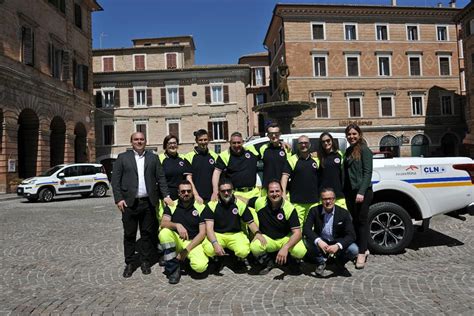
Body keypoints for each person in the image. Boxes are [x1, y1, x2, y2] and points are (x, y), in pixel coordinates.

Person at [111, 132, 172, 278]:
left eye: (141, 139)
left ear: (145, 141)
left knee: (147, 234)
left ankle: (145, 261)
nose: (139, 141)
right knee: (129, 234)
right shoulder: (122, 158)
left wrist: (166, 196)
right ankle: (130, 263)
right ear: (131, 142)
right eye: (136, 139)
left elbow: (161, 178)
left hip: (148, 202)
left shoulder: (153, 158)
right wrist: (119, 199)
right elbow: (115, 181)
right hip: (129, 203)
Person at [202, 177, 264, 271]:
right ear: (218, 192)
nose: (226, 193)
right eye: (223, 191)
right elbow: (209, 229)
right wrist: (215, 244)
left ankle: (238, 259)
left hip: (236, 234)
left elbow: (250, 222)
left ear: (233, 190)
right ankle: (216, 259)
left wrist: (258, 233)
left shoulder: (239, 204)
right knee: (209, 249)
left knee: (243, 251)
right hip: (218, 234)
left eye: (228, 190)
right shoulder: (212, 205)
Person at [249, 180, 307, 275]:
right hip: (268, 239)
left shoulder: (289, 208)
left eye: (277, 191)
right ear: (267, 193)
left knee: (300, 251)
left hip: (285, 238)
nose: (274, 194)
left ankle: (292, 262)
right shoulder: (260, 202)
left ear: (282, 192)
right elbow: (244, 201)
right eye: (271, 191)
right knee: (255, 246)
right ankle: (268, 262)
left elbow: (298, 233)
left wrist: (286, 247)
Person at [158, 180, 208, 284]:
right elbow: (163, 223)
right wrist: (177, 225)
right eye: (183, 191)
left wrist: (186, 251)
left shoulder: (200, 207)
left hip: (194, 242)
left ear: (192, 192)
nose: (186, 193)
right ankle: (174, 269)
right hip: (178, 241)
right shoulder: (172, 205)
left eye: (189, 191)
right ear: (178, 192)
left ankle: (182, 260)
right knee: (164, 233)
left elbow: (202, 233)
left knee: (200, 267)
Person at [303, 188, 358, 277]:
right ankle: (321, 261)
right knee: (306, 240)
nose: (328, 201)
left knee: (354, 249)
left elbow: (351, 235)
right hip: (321, 239)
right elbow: (306, 229)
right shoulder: (314, 210)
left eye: (331, 198)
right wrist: (318, 241)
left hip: (337, 240)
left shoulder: (343, 213)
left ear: (334, 199)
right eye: (325, 199)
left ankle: (339, 262)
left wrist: (338, 246)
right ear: (321, 200)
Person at [343, 124, 373, 269]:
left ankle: (362, 252)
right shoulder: (348, 151)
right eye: (349, 134)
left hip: (362, 192)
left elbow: (368, 172)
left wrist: (361, 191)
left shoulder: (364, 150)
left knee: (362, 221)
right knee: (355, 221)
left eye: (354, 134)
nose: (351, 136)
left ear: (359, 135)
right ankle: (363, 247)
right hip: (350, 193)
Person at [281, 135, 320, 224]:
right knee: (298, 226)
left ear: (309, 145)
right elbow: (285, 177)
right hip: (297, 202)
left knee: (312, 226)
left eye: (305, 143)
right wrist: (283, 193)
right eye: (301, 143)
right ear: (297, 145)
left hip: (314, 201)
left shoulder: (316, 160)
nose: (303, 145)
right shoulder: (291, 160)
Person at [211, 132, 260, 203]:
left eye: (238, 142)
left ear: (242, 142)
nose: (236, 145)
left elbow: (268, 150)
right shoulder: (224, 155)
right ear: (230, 143)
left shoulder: (252, 150)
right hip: (236, 194)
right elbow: (216, 173)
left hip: (254, 193)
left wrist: (281, 145)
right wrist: (215, 191)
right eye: (234, 143)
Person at [185, 129, 218, 204]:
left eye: (205, 139)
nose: (203, 142)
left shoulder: (215, 156)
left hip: (213, 198)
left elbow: (218, 177)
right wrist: (196, 195)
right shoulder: (189, 157)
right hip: (196, 199)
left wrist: (215, 193)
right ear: (196, 141)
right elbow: (188, 178)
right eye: (200, 140)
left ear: (208, 140)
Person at [258, 123, 291, 195]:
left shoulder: (286, 149)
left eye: (276, 133)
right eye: (271, 134)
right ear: (267, 135)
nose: (273, 136)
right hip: (267, 190)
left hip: (283, 189)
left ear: (280, 134)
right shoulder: (263, 148)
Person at [317, 132, 346, 209]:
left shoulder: (339, 155)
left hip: (339, 195)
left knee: (342, 219)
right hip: (324, 196)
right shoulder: (318, 156)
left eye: (328, 140)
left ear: (332, 141)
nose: (326, 143)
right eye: (323, 142)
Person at [159, 135, 192, 201]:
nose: (173, 145)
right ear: (165, 146)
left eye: (174, 143)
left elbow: (188, 178)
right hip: (166, 197)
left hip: (182, 196)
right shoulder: (160, 159)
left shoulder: (183, 158)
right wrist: (165, 196)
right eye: (170, 143)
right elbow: (158, 180)